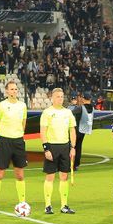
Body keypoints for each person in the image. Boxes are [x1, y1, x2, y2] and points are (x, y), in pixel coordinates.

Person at [0, 80, 28, 215]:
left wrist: (19, 134)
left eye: (15, 89)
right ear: (6, 91)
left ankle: (22, 203)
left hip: (18, 142)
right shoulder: (1, 105)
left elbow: (23, 122)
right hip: (5, 141)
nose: (14, 91)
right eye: (11, 89)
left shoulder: (22, 106)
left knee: (20, 174)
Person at [40, 87, 77, 215]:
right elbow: (43, 131)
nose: (60, 99)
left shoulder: (68, 113)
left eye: (61, 97)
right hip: (52, 147)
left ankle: (64, 205)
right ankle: (48, 205)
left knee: (64, 176)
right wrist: (46, 149)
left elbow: (72, 130)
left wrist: (73, 147)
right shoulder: (47, 112)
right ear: (52, 98)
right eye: (57, 96)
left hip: (65, 147)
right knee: (50, 176)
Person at [70, 92, 93, 171]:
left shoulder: (81, 108)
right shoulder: (92, 108)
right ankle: (76, 164)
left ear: (83, 99)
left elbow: (70, 113)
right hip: (84, 130)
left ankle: (71, 164)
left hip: (77, 129)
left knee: (72, 146)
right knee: (79, 147)